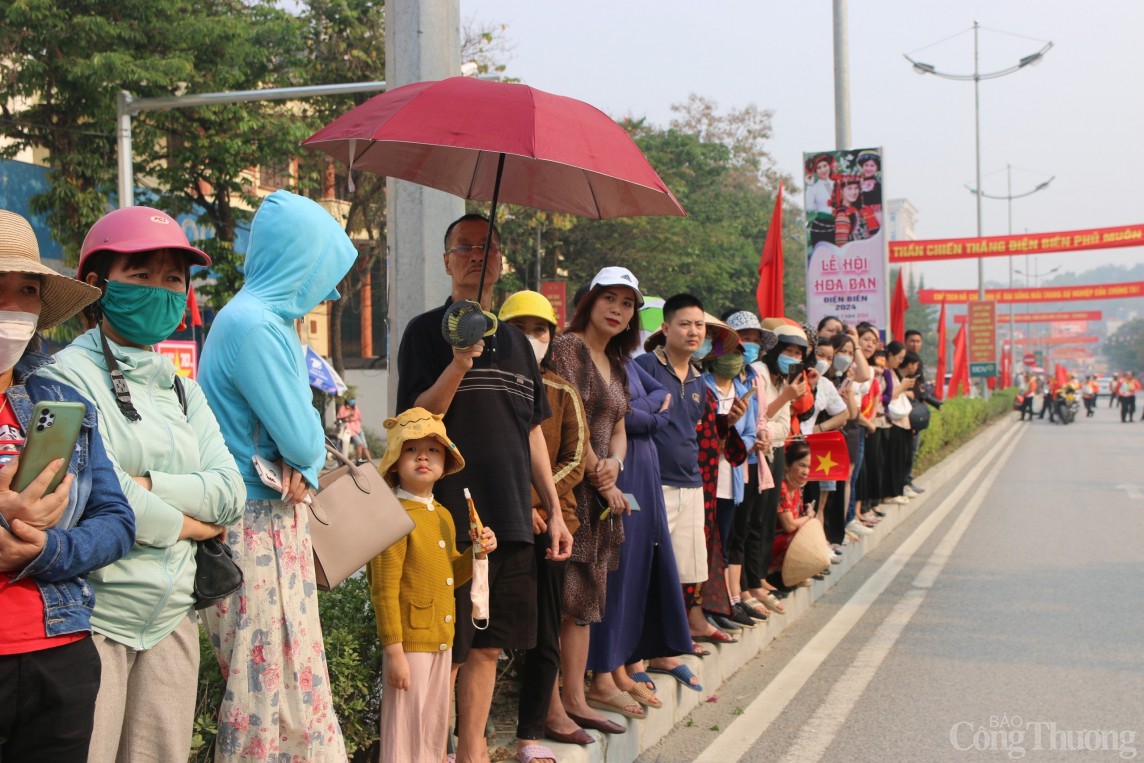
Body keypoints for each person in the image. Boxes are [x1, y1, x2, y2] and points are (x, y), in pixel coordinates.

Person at [38, 206, 245, 763]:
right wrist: (195, 523)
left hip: (172, 621)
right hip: (92, 621)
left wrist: (147, 482)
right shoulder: (60, 379)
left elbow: (231, 493)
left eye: (173, 278)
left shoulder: (182, 390)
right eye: (141, 273)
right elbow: (93, 497)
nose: (160, 289)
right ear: (95, 286)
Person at [395, 213, 572, 763]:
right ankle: (430, 749)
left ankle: (471, 750)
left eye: (488, 247)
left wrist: (554, 509)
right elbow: (416, 417)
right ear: (447, 260)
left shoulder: (519, 343)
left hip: (511, 513)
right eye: (465, 246)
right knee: (444, 648)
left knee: (490, 643)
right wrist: (459, 361)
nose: (478, 255)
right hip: (446, 512)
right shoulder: (425, 331)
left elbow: (533, 435)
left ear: (501, 262)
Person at [199, 190, 358, 761]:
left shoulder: (259, 320)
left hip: (262, 522)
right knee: (265, 692)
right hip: (255, 524)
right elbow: (302, 437)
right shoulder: (257, 327)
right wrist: (308, 458)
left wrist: (306, 460)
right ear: (298, 262)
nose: (333, 290)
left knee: (284, 686)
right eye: (323, 272)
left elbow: (302, 444)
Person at [0, 210, 135, 763]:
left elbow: (116, 520)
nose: (11, 308)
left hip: (60, 655)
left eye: (26, 291)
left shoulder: (57, 401)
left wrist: (45, 548)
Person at [367, 408, 496, 763]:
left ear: (444, 463)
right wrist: (394, 653)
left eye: (433, 450)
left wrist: (477, 554)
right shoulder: (393, 516)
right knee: (405, 727)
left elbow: (450, 570)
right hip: (409, 641)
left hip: (441, 637)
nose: (423, 456)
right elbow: (383, 590)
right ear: (395, 461)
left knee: (434, 723)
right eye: (411, 449)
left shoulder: (441, 515)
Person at [549, 268, 645, 726]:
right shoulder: (568, 349)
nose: (617, 309)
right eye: (610, 298)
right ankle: (555, 706)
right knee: (560, 597)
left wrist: (617, 466)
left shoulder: (620, 366)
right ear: (589, 301)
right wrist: (601, 476)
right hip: (569, 490)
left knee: (587, 597)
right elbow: (570, 419)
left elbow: (620, 429)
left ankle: (577, 697)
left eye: (627, 304)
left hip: (603, 498)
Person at [499, 290, 591, 754]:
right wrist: (520, 504)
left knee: (545, 632)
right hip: (502, 521)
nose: (531, 339)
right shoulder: (487, 384)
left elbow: (575, 459)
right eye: (520, 329)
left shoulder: (562, 390)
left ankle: (531, 733)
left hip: (554, 523)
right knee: (488, 635)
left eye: (540, 330)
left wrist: (538, 502)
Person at [634, 294, 729, 656]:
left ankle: (669, 646)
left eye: (699, 325)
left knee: (681, 573)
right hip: (651, 483)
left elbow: (696, 434)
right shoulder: (644, 367)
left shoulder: (701, 382)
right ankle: (642, 653)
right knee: (647, 571)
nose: (693, 331)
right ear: (665, 328)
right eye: (685, 324)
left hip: (690, 484)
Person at [749, 320, 810, 610]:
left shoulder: (784, 382)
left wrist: (771, 428)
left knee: (766, 519)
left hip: (775, 452)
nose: (794, 359)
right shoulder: (759, 374)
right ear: (774, 350)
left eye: (799, 355)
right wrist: (784, 400)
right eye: (789, 351)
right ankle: (750, 582)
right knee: (753, 520)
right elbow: (758, 418)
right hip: (756, 453)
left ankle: (759, 577)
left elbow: (782, 426)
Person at [700, 343, 757, 629]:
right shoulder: (702, 385)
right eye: (728, 352)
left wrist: (730, 443)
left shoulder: (745, 392)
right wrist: (715, 440)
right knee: (702, 545)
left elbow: (750, 433)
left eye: (739, 353)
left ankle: (717, 605)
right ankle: (701, 609)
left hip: (730, 481)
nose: (734, 359)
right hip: (703, 478)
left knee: (721, 545)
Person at [765, 439, 818, 589]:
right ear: (788, 465)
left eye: (808, 467)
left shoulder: (796, 488)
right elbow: (789, 525)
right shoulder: (782, 488)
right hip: (773, 543)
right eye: (801, 465)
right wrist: (809, 517)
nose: (806, 471)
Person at [335, 397, 372, 463]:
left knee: (365, 446)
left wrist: (351, 419)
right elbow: (339, 418)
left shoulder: (355, 408)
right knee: (360, 444)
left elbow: (358, 418)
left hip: (358, 429)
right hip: (350, 430)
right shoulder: (343, 408)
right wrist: (348, 417)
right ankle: (358, 460)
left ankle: (371, 462)